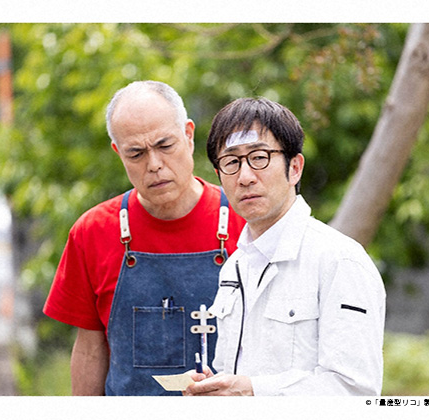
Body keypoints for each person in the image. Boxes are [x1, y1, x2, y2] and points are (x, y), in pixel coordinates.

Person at [43, 81, 245, 396]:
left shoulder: (245, 223)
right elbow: (90, 349)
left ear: (189, 135)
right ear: (118, 153)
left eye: (165, 145)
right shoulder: (93, 232)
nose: (154, 165)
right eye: (136, 153)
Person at [184, 97, 386, 396]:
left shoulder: (340, 260)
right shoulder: (234, 266)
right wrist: (214, 388)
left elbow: (355, 391)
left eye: (259, 158)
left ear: (295, 168)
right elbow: (241, 376)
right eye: (231, 162)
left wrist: (253, 391)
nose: (245, 177)